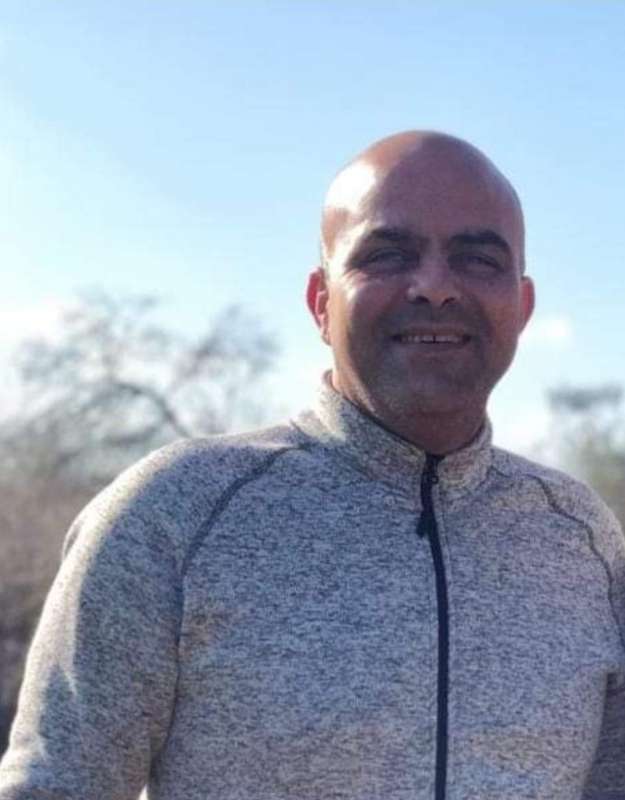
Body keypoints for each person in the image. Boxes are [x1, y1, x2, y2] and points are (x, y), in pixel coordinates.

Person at [1, 131, 624, 800]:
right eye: (387, 254)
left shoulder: (581, 541)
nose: (434, 287)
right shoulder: (170, 517)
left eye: (477, 259)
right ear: (321, 302)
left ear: (522, 307)